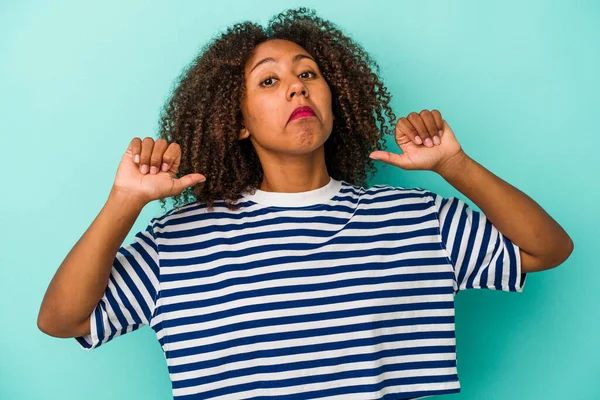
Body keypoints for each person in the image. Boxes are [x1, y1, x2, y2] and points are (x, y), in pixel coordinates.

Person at [37, 7, 573, 400]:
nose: (297, 88)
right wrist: (124, 202)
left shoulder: (416, 220)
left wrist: (455, 166)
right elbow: (62, 320)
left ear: (335, 98)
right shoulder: (179, 242)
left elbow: (548, 249)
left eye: (308, 73)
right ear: (237, 122)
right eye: (269, 80)